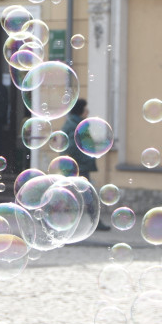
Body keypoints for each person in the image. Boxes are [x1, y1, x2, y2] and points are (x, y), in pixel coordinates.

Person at [60, 99, 109, 231]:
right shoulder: (74, 125)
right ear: (81, 111)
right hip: (77, 167)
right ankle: (94, 222)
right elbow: (71, 148)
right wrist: (84, 158)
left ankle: (92, 222)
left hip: (78, 166)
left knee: (78, 196)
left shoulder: (77, 124)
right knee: (86, 196)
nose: (88, 111)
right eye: (85, 109)